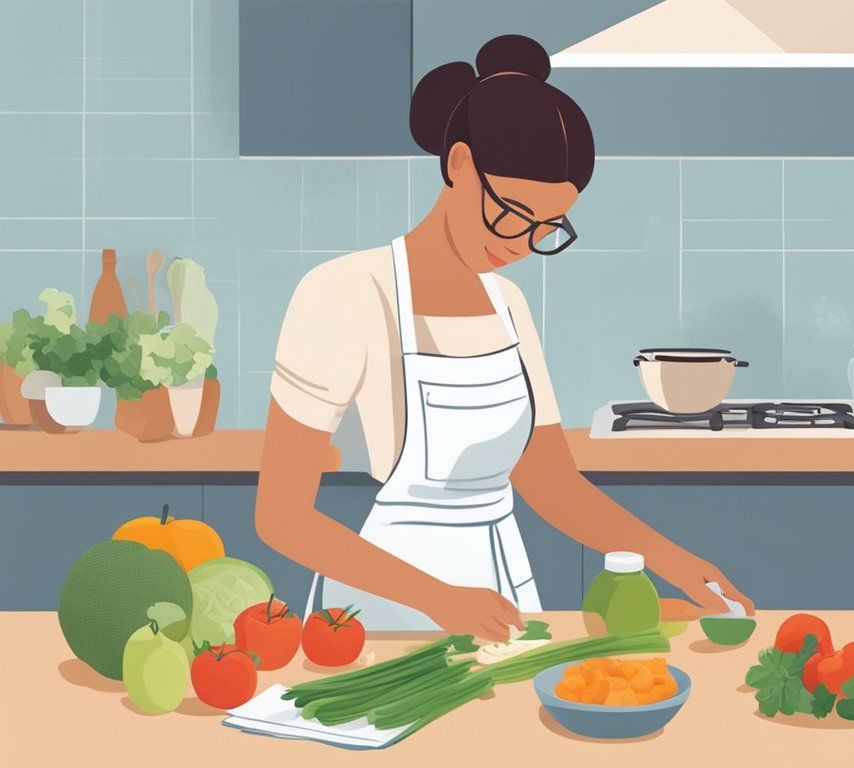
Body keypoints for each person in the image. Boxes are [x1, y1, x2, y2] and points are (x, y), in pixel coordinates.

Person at [254, 35, 754, 642]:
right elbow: (281, 518)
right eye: (512, 212)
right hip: (387, 607)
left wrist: (674, 563)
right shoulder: (346, 292)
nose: (520, 244)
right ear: (459, 165)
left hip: (503, 594)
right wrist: (439, 599)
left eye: (547, 227)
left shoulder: (508, 305)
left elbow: (552, 482)